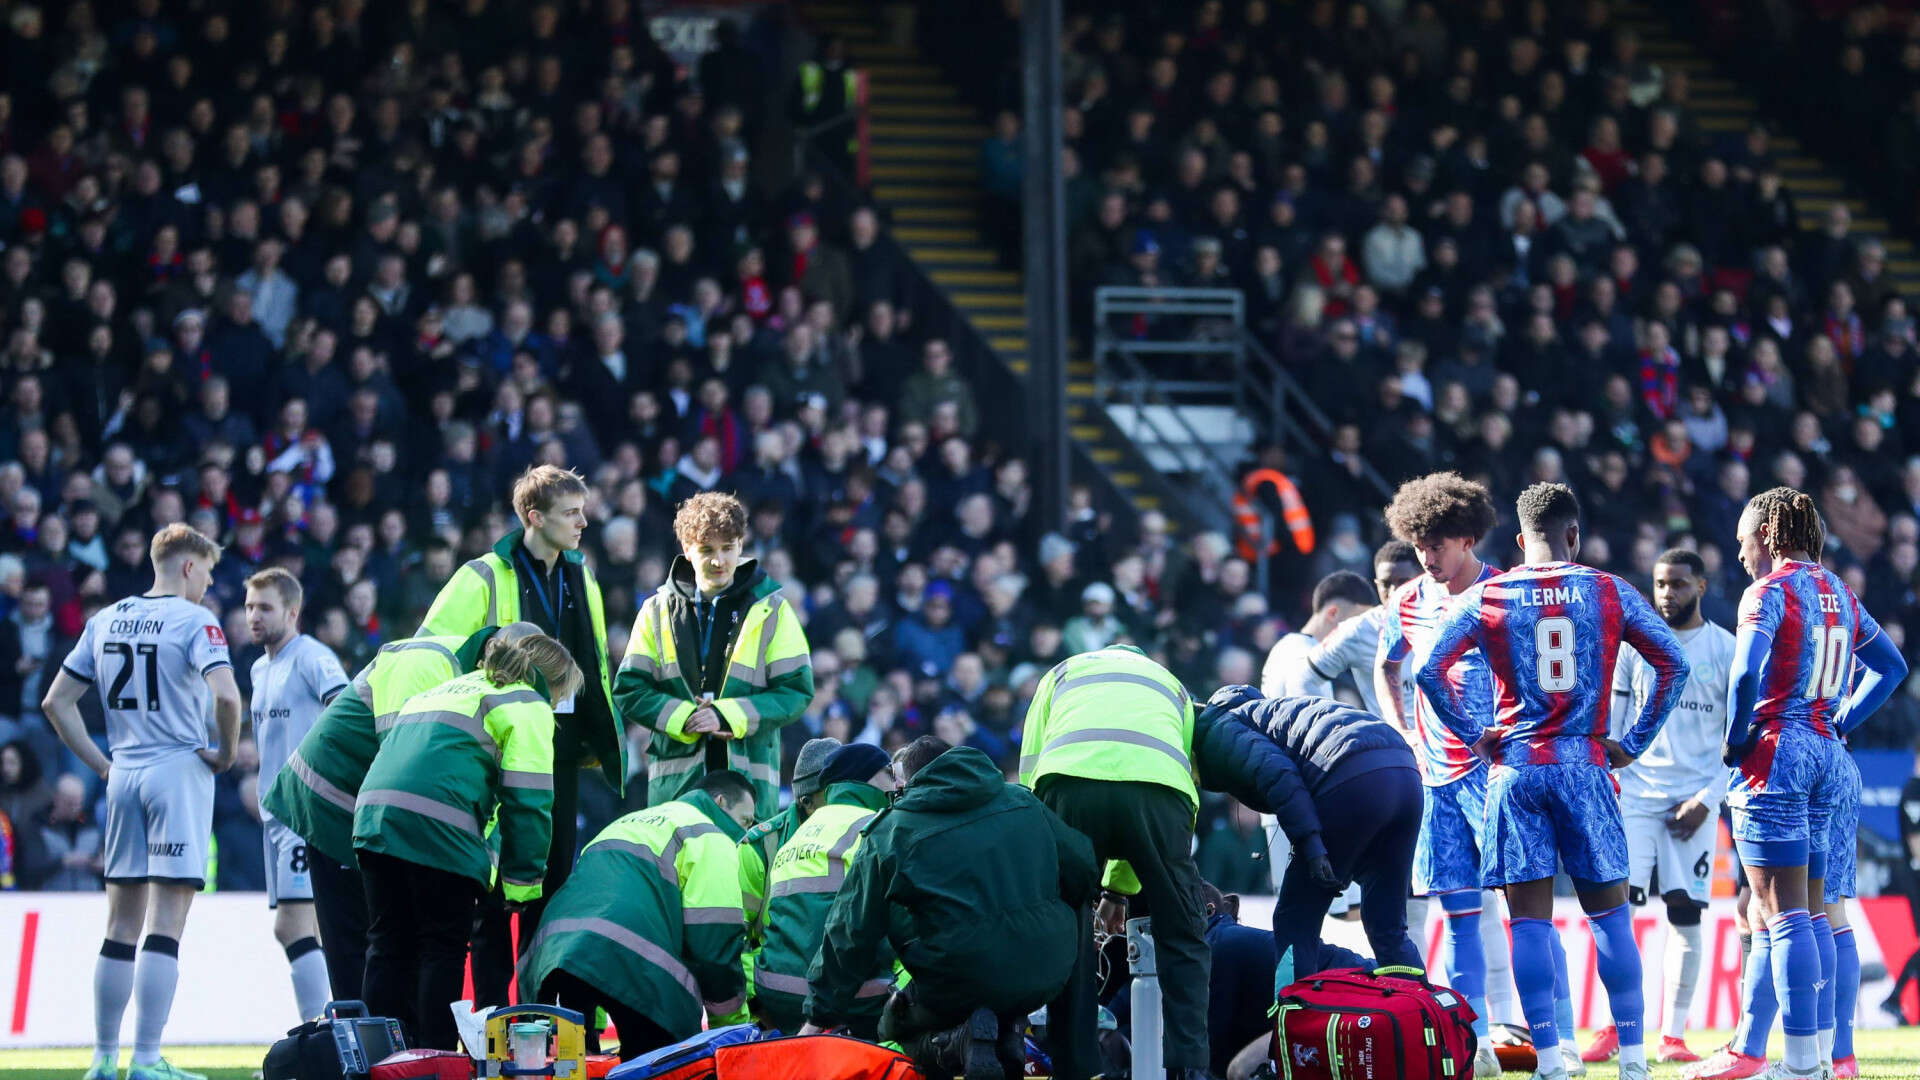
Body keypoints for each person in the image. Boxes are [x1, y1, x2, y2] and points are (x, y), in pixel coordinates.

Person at [1419, 482, 1690, 1080]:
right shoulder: (1608, 590)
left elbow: (1426, 670)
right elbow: (1674, 661)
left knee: (1530, 923)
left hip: (1516, 770)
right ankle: (1637, 1063)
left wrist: (1475, 734)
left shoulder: (1489, 593)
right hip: (1585, 765)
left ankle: (1547, 1063)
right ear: (1575, 536)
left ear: (1518, 541)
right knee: (1610, 917)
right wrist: (1634, 742)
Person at [1697, 487, 1905, 1080]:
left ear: (1766, 534)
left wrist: (1738, 741)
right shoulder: (1840, 591)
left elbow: (1744, 676)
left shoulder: (1768, 592)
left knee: (1780, 914)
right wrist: (1840, 719)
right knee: (1818, 913)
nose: (1740, 555)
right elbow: (1891, 667)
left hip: (1779, 754)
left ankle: (1803, 1062)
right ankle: (1834, 1058)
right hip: (1832, 758)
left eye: (1743, 542)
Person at [41, 524, 243, 1080]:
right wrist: (225, 754)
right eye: (205, 572)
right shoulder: (195, 620)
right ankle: (147, 1059)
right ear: (187, 566)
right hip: (177, 769)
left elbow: (57, 702)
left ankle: (103, 1059)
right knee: (167, 920)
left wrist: (103, 765)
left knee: (119, 924)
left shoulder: (105, 619)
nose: (207, 584)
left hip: (124, 772)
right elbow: (227, 695)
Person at [419, 464, 621, 1004]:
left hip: (559, 749)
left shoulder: (583, 577)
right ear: (534, 517)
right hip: (494, 749)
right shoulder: (481, 576)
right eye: (571, 513)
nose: (584, 523)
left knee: (552, 887)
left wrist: (602, 737)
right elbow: (433, 653)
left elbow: (595, 664)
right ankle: (490, 1015)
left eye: (583, 511)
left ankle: (537, 1012)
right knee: (496, 891)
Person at [262, 622, 543, 1002]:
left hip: (363, 805)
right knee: (367, 948)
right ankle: (371, 1054)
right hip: (333, 802)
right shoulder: (428, 661)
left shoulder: (464, 677)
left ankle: (397, 1051)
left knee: (389, 945)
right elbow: (400, 762)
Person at [802, 736, 1099, 1080]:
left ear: (906, 781)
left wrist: (819, 1015)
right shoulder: (1023, 801)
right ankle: (1018, 1040)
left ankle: (957, 1043)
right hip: (1047, 972)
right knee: (1006, 980)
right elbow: (1084, 868)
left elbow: (849, 931)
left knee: (891, 1025)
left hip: (958, 979)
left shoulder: (891, 831)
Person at [353, 633, 582, 1050]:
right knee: (440, 948)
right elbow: (528, 802)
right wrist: (521, 885)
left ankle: (377, 1060)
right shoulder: (525, 704)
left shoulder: (449, 688)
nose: (555, 707)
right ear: (548, 683)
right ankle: (434, 1057)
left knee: (386, 946)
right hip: (439, 827)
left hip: (374, 819)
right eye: (559, 697)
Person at [1019, 645, 1209, 1080]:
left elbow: (1031, 764)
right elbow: (1184, 772)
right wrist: (1121, 890)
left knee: (1069, 930)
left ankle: (1074, 1064)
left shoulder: (1064, 672)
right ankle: (1190, 1066)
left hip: (1070, 781)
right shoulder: (1172, 685)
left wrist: (1040, 854)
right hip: (1160, 793)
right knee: (1183, 932)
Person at [1373, 472, 1507, 1077]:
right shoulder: (1407, 601)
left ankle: (1558, 1039)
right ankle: (1471, 1044)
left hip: (1497, 774)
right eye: (1419, 544)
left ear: (1468, 538)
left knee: (1523, 907)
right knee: (1459, 914)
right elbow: (1388, 665)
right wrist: (1400, 728)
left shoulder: (1504, 592)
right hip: (1436, 779)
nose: (1426, 558)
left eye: (1438, 545)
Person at [1583, 549, 1735, 1066]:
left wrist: (1707, 799)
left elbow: (1739, 741)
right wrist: (1614, 784)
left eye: (1677, 584)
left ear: (1702, 585)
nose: (1667, 593)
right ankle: (1613, 1025)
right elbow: (1616, 724)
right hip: (1638, 799)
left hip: (1694, 801)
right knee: (1618, 911)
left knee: (1685, 915)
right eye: (1660, 584)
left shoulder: (1726, 650)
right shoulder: (1635, 649)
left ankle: (1673, 1035)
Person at [521, 770, 758, 1060]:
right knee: (663, 1062)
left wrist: (591, 1028)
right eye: (745, 821)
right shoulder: (710, 833)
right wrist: (730, 1032)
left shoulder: (626, 822)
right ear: (720, 802)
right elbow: (714, 939)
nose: (745, 835)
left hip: (555, 954)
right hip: (634, 959)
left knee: (581, 1063)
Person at [1194, 685, 1423, 980]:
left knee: (1294, 919)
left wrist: (1311, 844)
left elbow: (1278, 775)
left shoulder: (1221, 727)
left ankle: (1294, 1020)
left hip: (1351, 773)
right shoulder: (1274, 714)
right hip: (1405, 772)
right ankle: (1424, 1017)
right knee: (1388, 925)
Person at [616, 491, 813, 819]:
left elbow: (797, 691)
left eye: (728, 548)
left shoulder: (773, 609)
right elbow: (629, 690)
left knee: (744, 870)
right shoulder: (655, 611)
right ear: (687, 550)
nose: (719, 561)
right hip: (676, 790)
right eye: (707, 550)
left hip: (748, 788)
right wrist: (686, 717)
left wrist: (726, 715)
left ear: (741, 545)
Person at [242, 568, 350, 1022]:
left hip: (306, 813)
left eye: (265, 608)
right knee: (316, 930)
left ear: (292, 611)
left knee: (292, 926)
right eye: (249, 607)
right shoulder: (259, 667)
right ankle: (339, 1030)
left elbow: (346, 710)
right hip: (276, 815)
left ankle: (318, 1035)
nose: (254, 616)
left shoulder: (312, 657)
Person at [751, 743, 899, 1036]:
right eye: (889, 772)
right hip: (849, 1002)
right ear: (867, 777)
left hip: (776, 995)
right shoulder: (876, 826)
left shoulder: (795, 834)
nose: (895, 781)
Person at [1275, 541, 1422, 715]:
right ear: (1376, 584)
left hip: (1450, 740)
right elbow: (1302, 678)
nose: (1393, 592)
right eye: (1385, 584)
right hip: (1393, 740)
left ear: (1424, 580)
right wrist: (1325, 730)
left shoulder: (1450, 619)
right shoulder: (1360, 629)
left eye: (1403, 582)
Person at [739, 736, 841, 943]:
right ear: (807, 802)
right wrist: (761, 974)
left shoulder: (866, 832)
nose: (847, 800)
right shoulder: (759, 848)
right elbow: (735, 938)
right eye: (835, 793)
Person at [1258, 570, 1375, 700]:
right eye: (1358, 623)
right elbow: (1308, 718)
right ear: (1333, 613)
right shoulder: (1306, 657)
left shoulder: (1290, 646)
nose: (1362, 633)